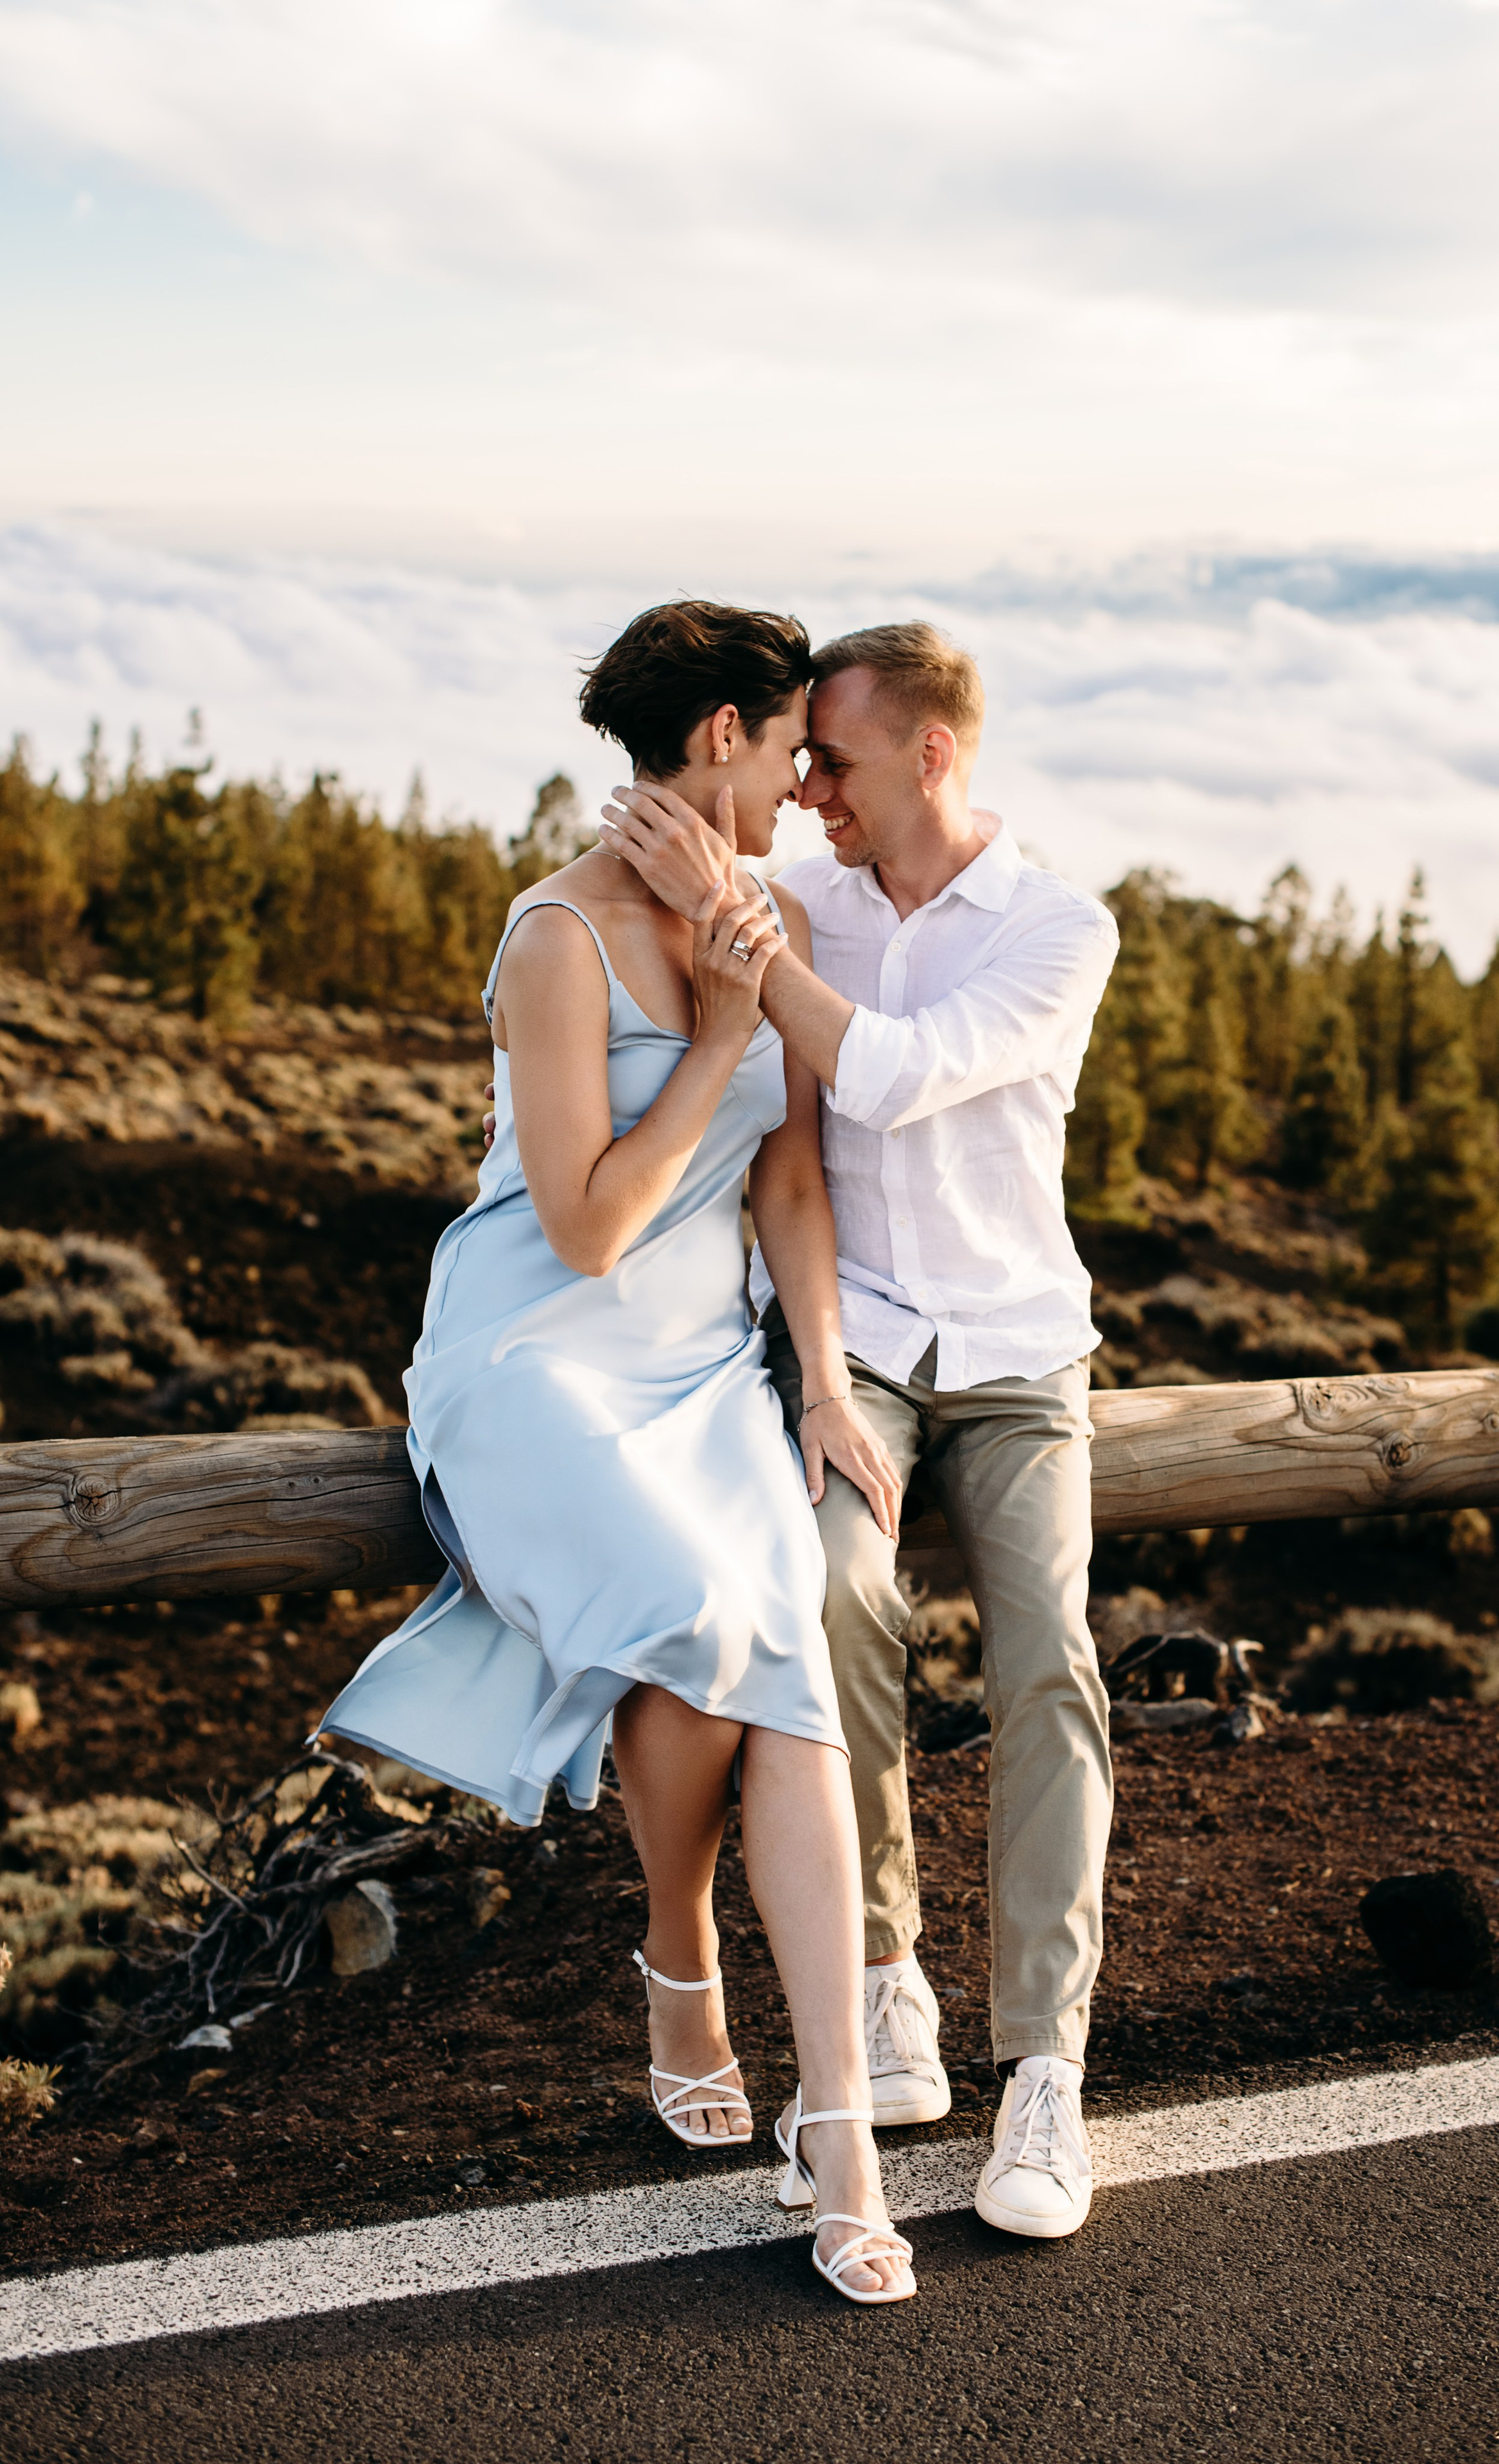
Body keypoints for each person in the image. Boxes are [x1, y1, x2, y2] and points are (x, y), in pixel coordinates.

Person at [321, 601, 915, 2306]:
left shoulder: (766, 909)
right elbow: (583, 1228)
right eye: (796, 745)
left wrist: (818, 1382)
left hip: (710, 1365)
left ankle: (844, 2144)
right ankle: (675, 1950)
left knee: (780, 1654)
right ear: (720, 736)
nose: (811, 781)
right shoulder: (556, 940)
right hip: (538, 1366)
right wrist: (722, 1035)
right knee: (704, 1618)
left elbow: (787, 1182)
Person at [597, 619, 1120, 2241]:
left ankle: (1044, 2071)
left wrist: (734, 919)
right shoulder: (805, 898)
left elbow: (890, 1076)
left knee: (1046, 1658)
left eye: (831, 757)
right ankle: (887, 1978)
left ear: (931, 754)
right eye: (795, 758)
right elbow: (778, 1135)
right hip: (861, 1346)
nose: (806, 785)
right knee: (832, 1603)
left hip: (1023, 1355)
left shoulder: (1053, 928)